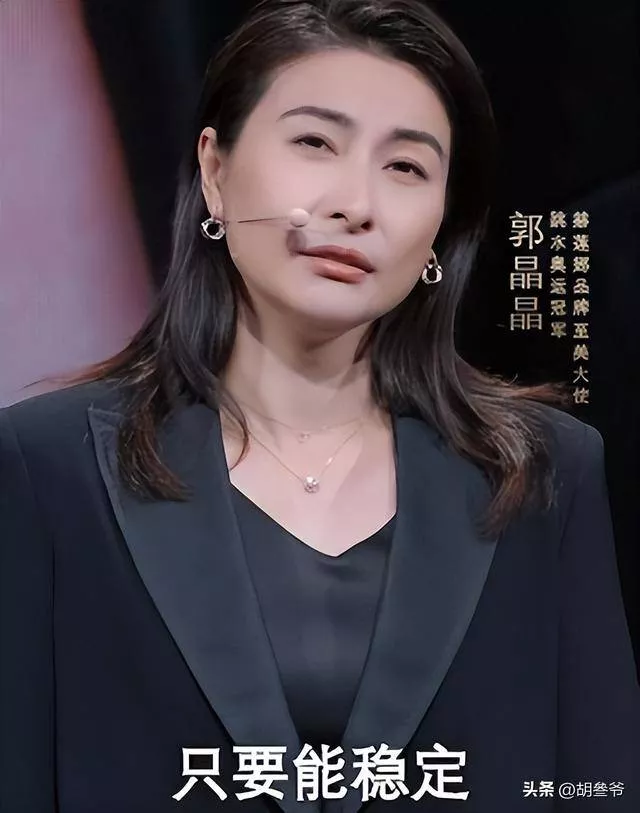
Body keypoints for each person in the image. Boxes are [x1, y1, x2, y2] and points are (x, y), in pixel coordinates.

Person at [1, 0, 639, 811]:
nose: (354, 203)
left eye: (406, 167)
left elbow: (596, 777)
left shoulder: (545, 469)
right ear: (215, 171)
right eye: (314, 143)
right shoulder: (48, 464)